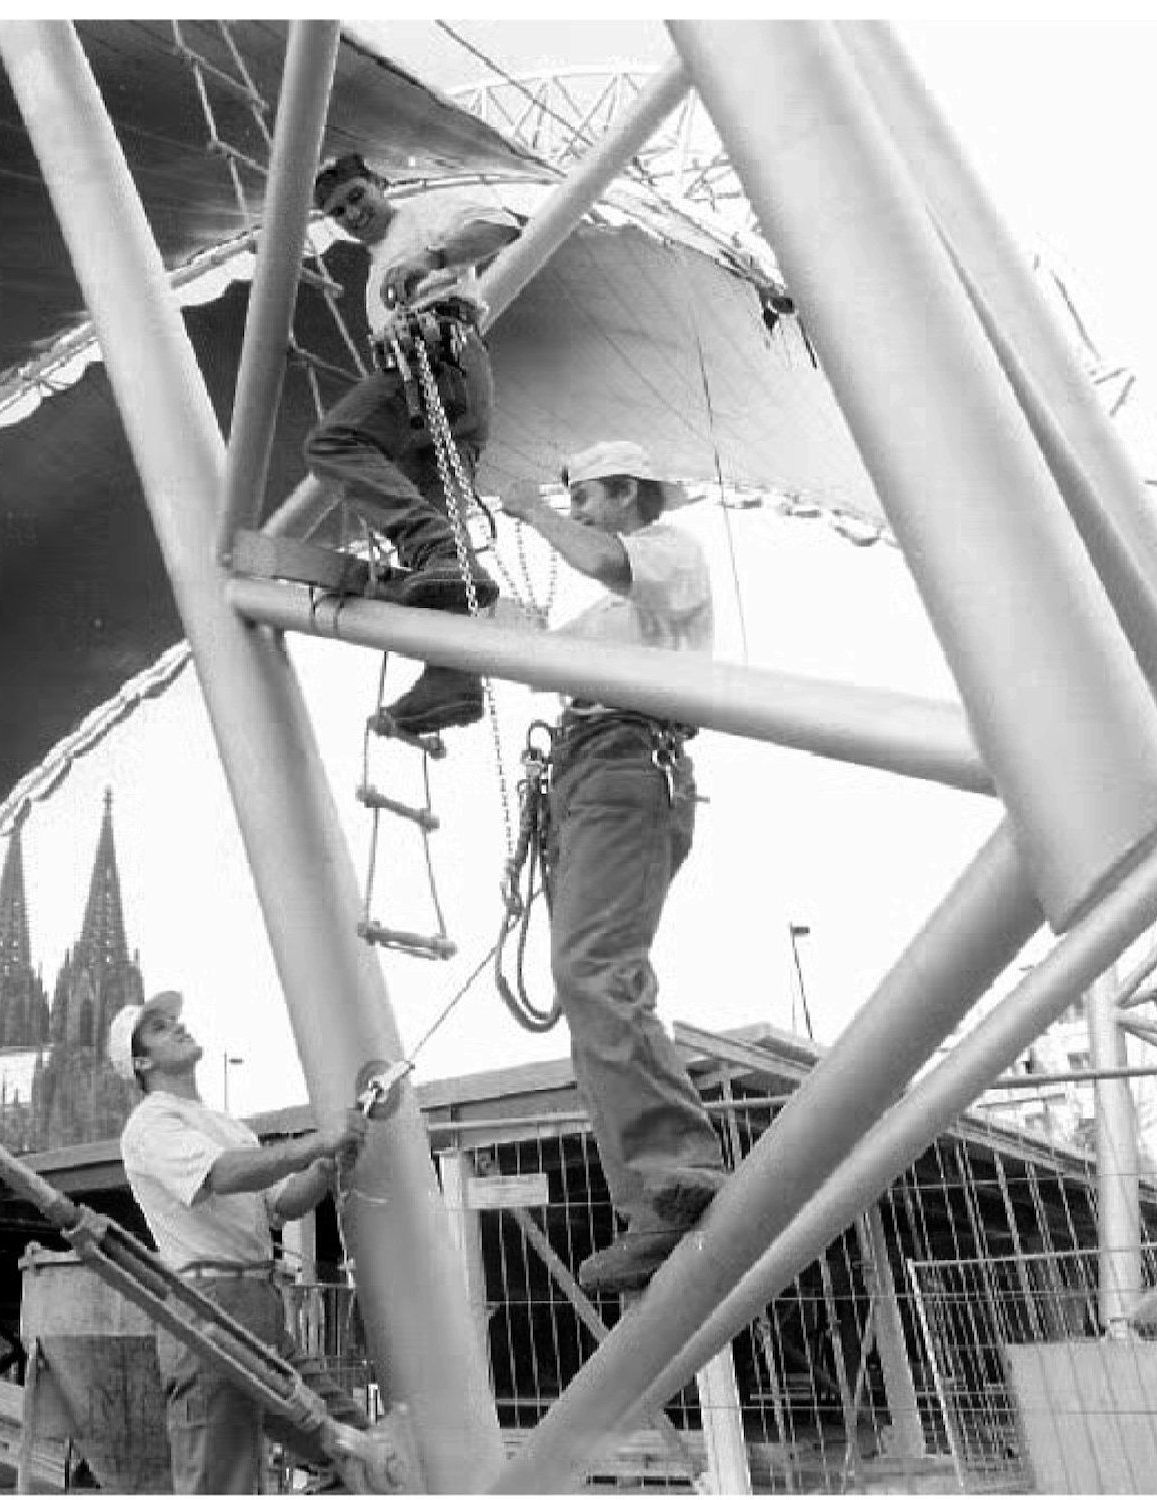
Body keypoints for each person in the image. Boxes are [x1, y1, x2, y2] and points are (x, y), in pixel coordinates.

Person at [496, 441, 729, 1295]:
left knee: (594, 967)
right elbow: (537, 654)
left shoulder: (668, 555)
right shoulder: (608, 622)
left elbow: (603, 558)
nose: (580, 510)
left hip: (630, 759)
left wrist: (532, 512)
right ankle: (649, 1199)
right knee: (586, 980)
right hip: (587, 770)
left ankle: (680, 1166)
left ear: (629, 493)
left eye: (588, 496)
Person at [109, 990, 370, 1494]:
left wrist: (328, 1161)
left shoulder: (230, 1128)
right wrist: (316, 1141)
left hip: (259, 1311)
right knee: (220, 1481)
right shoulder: (151, 1123)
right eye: (161, 1028)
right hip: (208, 1312)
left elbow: (284, 1204)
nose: (178, 1027)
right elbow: (222, 1176)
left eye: (173, 1021)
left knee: (356, 1445)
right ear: (141, 1062)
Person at [304, 153, 520, 737]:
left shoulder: (425, 216)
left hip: (439, 361)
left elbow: (501, 227)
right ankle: (452, 678)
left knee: (335, 442)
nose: (351, 213)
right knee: (439, 540)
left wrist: (434, 258)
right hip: (436, 384)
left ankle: (436, 550)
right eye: (337, 211)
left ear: (380, 184)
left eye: (356, 196)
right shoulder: (376, 273)